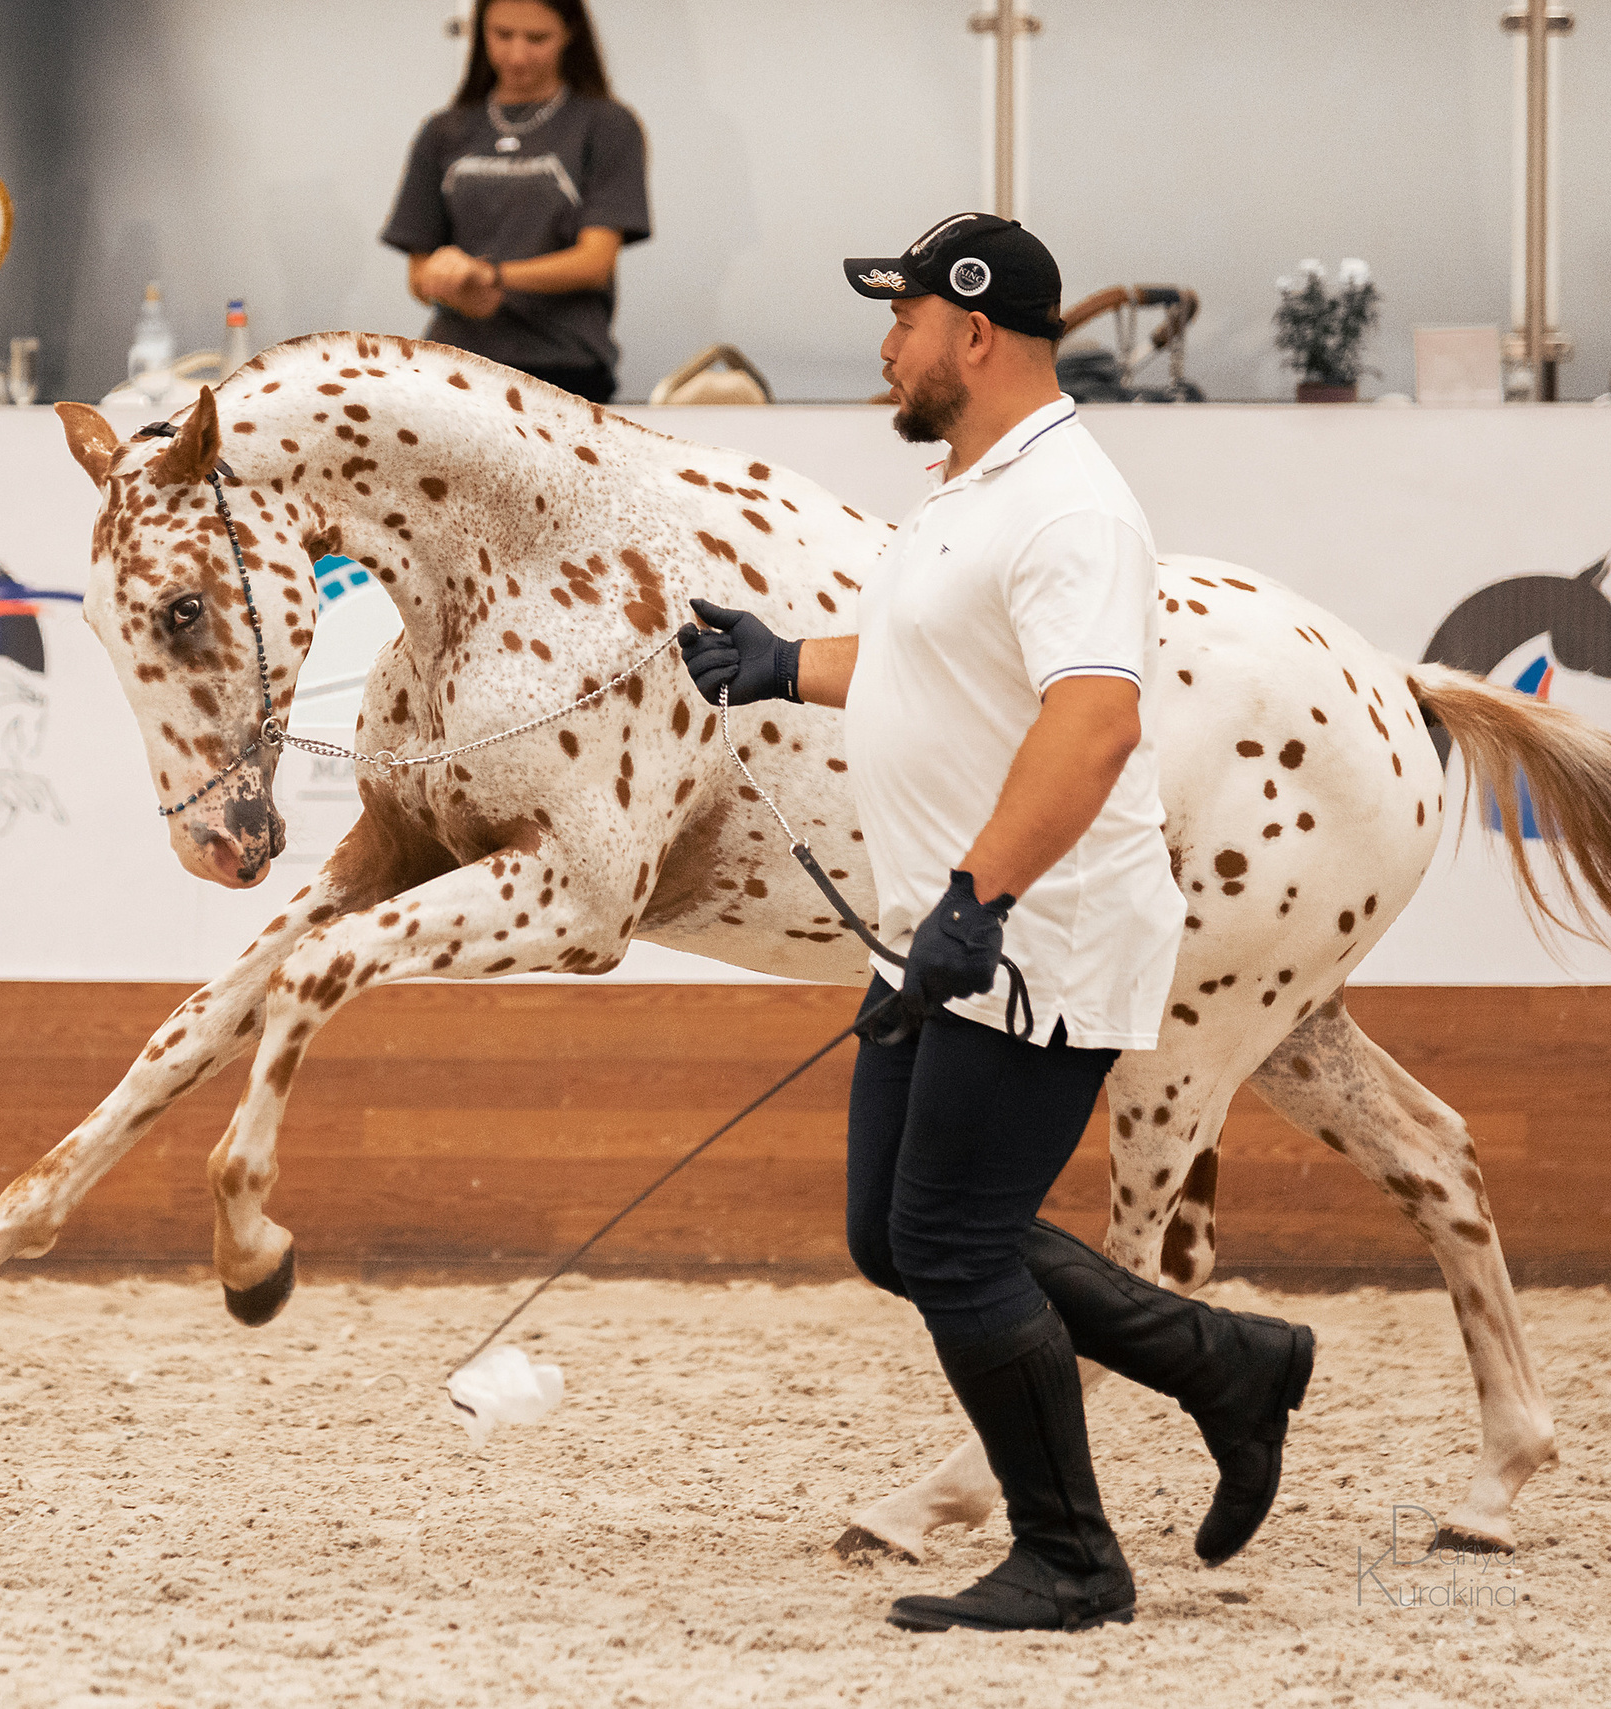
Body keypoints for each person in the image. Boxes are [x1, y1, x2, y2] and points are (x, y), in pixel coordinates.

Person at [679, 214, 1317, 1635]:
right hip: (942, 924)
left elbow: (1093, 723)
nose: (884, 346)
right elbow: (934, 664)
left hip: (1035, 930)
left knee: (954, 1242)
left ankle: (1072, 1556)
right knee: (891, 1233)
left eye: (900, 319)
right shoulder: (971, 490)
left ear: (973, 333)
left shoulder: (1070, 508)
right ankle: (1224, 1362)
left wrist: (982, 896)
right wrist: (785, 663)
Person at [380, 0, 649, 404]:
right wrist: (450, 286)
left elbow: (595, 262)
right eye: (502, 35)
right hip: (455, 367)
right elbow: (419, 275)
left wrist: (492, 276)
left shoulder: (607, 125)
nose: (517, 55)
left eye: (537, 38)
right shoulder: (443, 131)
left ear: (570, 34)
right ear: (480, 33)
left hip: (564, 367)